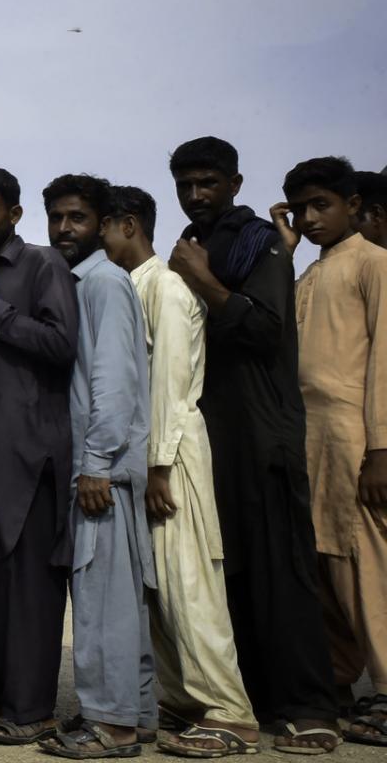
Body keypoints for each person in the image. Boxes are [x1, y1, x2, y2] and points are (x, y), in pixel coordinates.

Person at [165, 136, 341, 754]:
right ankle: (255, 699)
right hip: (214, 431)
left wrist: (204, 282)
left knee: (280, 569)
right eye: (186, 184)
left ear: (235, 184)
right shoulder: (193, 246)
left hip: (263, 428)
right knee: (231, 570)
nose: (195, 195)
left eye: (207, 182)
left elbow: (265, 328)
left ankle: (309, 706)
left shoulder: (256, 242)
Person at [99, 185, 259, 757]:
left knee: (190, 586)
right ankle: (187, 703)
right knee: (158, 591)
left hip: (172, 458)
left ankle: (230, 713)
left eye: (100, 226)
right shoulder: (128, 286)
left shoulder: (165, 285)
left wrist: (160, 466)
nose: (93, 237)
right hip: (145, 458)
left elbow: (169, 381)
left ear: (127, 224)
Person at [0, 165, 76, 746]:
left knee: (30, 592)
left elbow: (60, 344)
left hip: (31, 459)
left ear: (14, 214)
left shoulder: (42, 265)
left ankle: (32, 712)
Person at [35, 175, 157, 760]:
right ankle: (132, 717)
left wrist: (96, 465)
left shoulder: (103, 282)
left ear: (106, 224)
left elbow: (113, 383)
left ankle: (113, 729)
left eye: (78, 218)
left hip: (100, 473)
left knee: (103, 603)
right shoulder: (84, 281)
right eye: (56, 217)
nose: (64, 229)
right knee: (117, 602)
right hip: (100, 469)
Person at [280, 157, 387, 748]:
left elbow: (384, 365)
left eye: (322, 205)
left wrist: (382, 449)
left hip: (355, 435)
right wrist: (287, 248)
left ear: (354, 206)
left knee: (364, 565)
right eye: (301, 208)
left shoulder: (374, 264)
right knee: (322, 568)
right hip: (309, 437)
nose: (311, 217)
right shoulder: (309, 273)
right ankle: (340, 686)